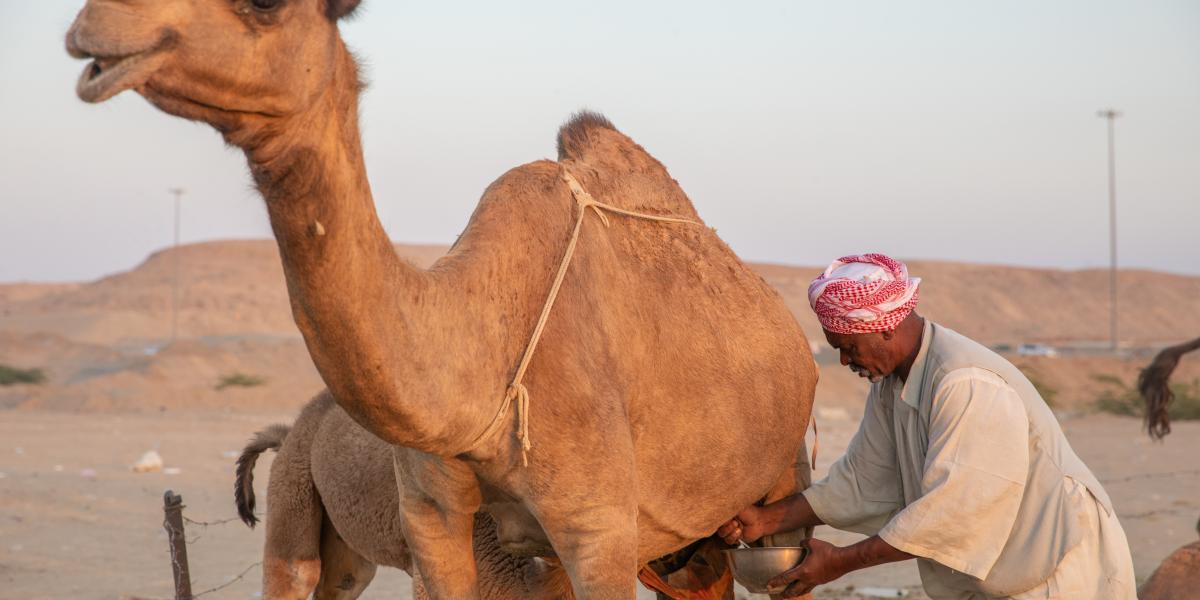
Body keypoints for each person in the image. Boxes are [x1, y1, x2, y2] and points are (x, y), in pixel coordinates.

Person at [718, 254, 1136, 599]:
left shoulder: (964, 382)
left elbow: (951, 515)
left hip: (1058, 566)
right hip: (1001, 573)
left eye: (847, 347)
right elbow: (862, 482)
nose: (845, 362)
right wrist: (768, 520)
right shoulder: (891, 383)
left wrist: (839, 563)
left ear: (883, 327)